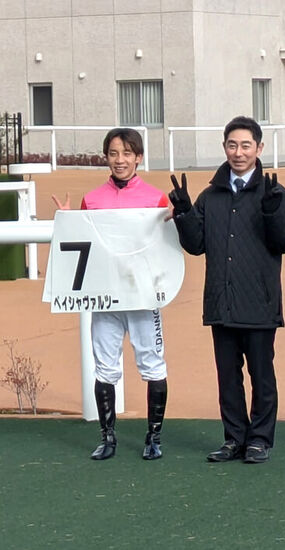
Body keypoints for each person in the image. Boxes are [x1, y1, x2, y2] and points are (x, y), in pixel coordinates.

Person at [169, 116, 285, 464]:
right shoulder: (210, 196)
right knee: (228, 377)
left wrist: (273, 213)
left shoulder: (274, 193)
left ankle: (259, 439)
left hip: (259, 301)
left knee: (261, 375)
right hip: (221, 302)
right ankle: (233, 438)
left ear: (259, 148)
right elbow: (196, 245)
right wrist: (184, 212)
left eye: (245, 145)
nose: (238, 152)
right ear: (224, 147)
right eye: (232, 145)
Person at [51, 128, 170, 461]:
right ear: (107, 157)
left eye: (127, 153)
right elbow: (85, 246)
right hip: (105, 297)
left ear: (139, 158)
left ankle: (153, 437)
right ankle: (107, 438)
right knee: (105, 368)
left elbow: (168, 247)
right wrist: (69, 221)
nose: (120, 160)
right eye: (114, 153)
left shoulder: (157, 198)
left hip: (144, 297)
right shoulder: (93, 199)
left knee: (152, 365)